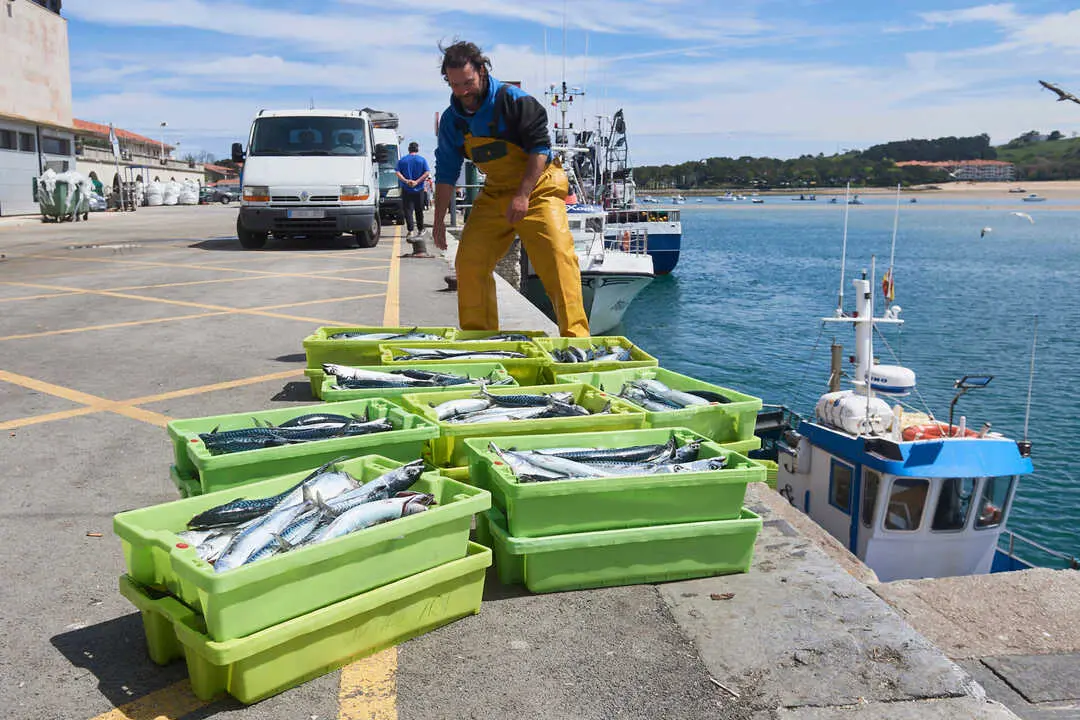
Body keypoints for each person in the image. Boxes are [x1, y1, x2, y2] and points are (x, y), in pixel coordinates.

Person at [432, 41, 589, 337]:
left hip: (539, 186)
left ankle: (576, 340)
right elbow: (446, 172)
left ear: (482, 71)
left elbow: (540, 149)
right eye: (455, 85)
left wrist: (523, 195)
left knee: (558, 259)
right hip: (496, 192)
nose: (463, 91)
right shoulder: (453, 121)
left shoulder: (516, 102)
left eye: (468, 82)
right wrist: (439, 220)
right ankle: (481, 339)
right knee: (469, 262)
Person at [396, 141, 430, 238]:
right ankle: (420, 229)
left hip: (406, 189)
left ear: (409, 149)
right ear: (417, 149)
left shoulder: (402, 160)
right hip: (419, 189)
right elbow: (427, 173)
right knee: (419, 210)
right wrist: (417, 181)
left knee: (408, 210)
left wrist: (406, 181)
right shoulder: (422, 160)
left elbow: (397, 172)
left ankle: (410, 230)